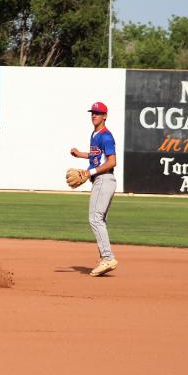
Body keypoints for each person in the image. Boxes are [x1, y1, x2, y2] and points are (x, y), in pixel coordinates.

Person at [69, 101, 118, 277]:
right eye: (92, 113)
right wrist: (80, 154)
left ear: (105, 116)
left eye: (98, 113)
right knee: (100, 220)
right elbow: (97, 155)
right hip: (102, 180)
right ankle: (104, 259)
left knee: (94, 219)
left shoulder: (106, 136)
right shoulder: (95, 134)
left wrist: (89, 172)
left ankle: (107, 257)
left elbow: (112, 161)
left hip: (104, 179)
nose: (94, 115)